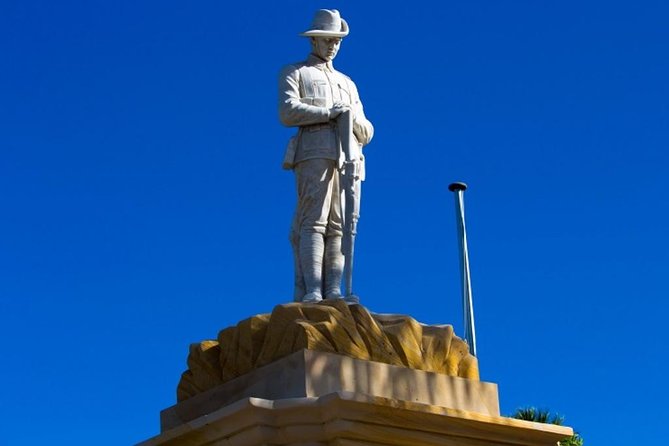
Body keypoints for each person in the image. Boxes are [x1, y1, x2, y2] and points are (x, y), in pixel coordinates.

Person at [278, 9, 374, 303]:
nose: (333, 45)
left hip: (349, 156)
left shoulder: (348, 83)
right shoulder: (295, 72)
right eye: (328, 39)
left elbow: (368, 131)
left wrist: (352, 121)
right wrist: (329, 113)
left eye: (337, 40)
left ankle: (334, 288)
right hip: (313, 151)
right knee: (313, 221)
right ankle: (313, 290)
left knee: (341, 225)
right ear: (315, 40)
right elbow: (287, 111)